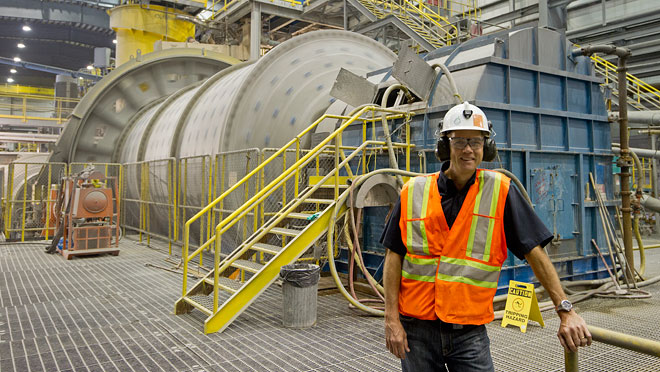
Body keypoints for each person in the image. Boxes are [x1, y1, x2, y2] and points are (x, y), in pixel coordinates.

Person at [381, 102, 591, 371]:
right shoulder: (413, 191)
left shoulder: (501, 191)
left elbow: (534, 251)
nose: (468, 149)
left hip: (468, 332)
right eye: (459, 141)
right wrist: (391, 320)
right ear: (445, 146)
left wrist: (565, 310)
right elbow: (393, 256)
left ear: (486, 147)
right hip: (416, 330)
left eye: (476, 141)